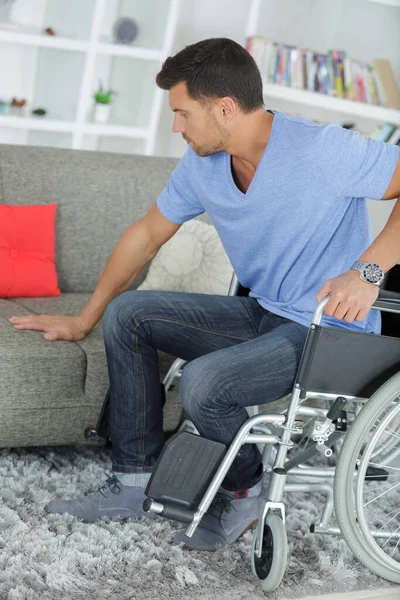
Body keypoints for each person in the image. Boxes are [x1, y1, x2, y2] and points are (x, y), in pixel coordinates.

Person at [8, 38, 400, 550]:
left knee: (204, 384)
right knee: (129, 314)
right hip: (263, 311)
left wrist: (368, 271)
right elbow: (146, 235)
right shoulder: (202, 164)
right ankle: (133, 483)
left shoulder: (321, 149)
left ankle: (245, 490)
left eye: (182, 112)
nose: (176, 127)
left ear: (224, 108)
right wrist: (85, 318)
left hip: (328, 329)